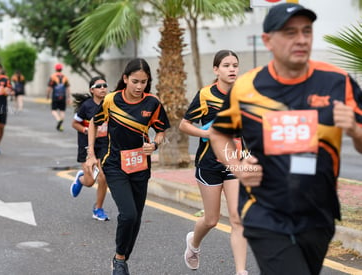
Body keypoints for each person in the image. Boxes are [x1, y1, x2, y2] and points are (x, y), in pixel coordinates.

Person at [209, 3, 362, 275]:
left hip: (318, 212)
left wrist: (354, 128)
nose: (301, 39)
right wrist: (238, 167)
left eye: (306, 31)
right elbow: (219, 133)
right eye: (290, 32)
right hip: (264, 210)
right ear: (267, 40)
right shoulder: (247, 88)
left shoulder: (338, 81)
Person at [85, 58, 170, 275]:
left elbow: (161, 131)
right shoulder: (111, 100)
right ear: (125, 79)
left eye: (143, 82)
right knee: (128, 215)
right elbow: (94, 122)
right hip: (114, 164)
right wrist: (92, 153)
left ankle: (122, 258)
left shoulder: (153, 103)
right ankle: (119, 259)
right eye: (135, 81)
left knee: (137, 217)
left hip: (140, 165)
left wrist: (155, 144)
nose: (139, 86)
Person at [179, 50, 248, 275]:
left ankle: (240, 271)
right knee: (211, 220)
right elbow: (184, 125)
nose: (232, 69)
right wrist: (207, 134)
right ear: (216, 70)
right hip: (209, 164)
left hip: (234, 164)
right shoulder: (205, 95)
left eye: (235, 65)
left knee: (238, 219)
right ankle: (194, 244)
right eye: (226, 65)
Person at [70, 76, 110, 221]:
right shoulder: (86, 106)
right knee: (90, 181)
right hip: (87, 145)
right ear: (92, 90)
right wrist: (86, 131)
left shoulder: (110, 103)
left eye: (105, 85)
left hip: (104, 145)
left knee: (103, 177)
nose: (103, 88)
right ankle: (81, 179)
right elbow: (75, 123)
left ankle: (98, 208)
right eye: (99, 86)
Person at [46, 63, 71, 131]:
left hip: (55, 96)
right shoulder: (65, 77)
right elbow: (68, 88)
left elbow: (49, 87)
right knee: (62, 111)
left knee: (53, 110)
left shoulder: (53, 76)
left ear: (55, 69)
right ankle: (60, 125)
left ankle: (58, 119)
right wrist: (69, 97)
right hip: (63, 96)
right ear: (61, 69)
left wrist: (48, 95)